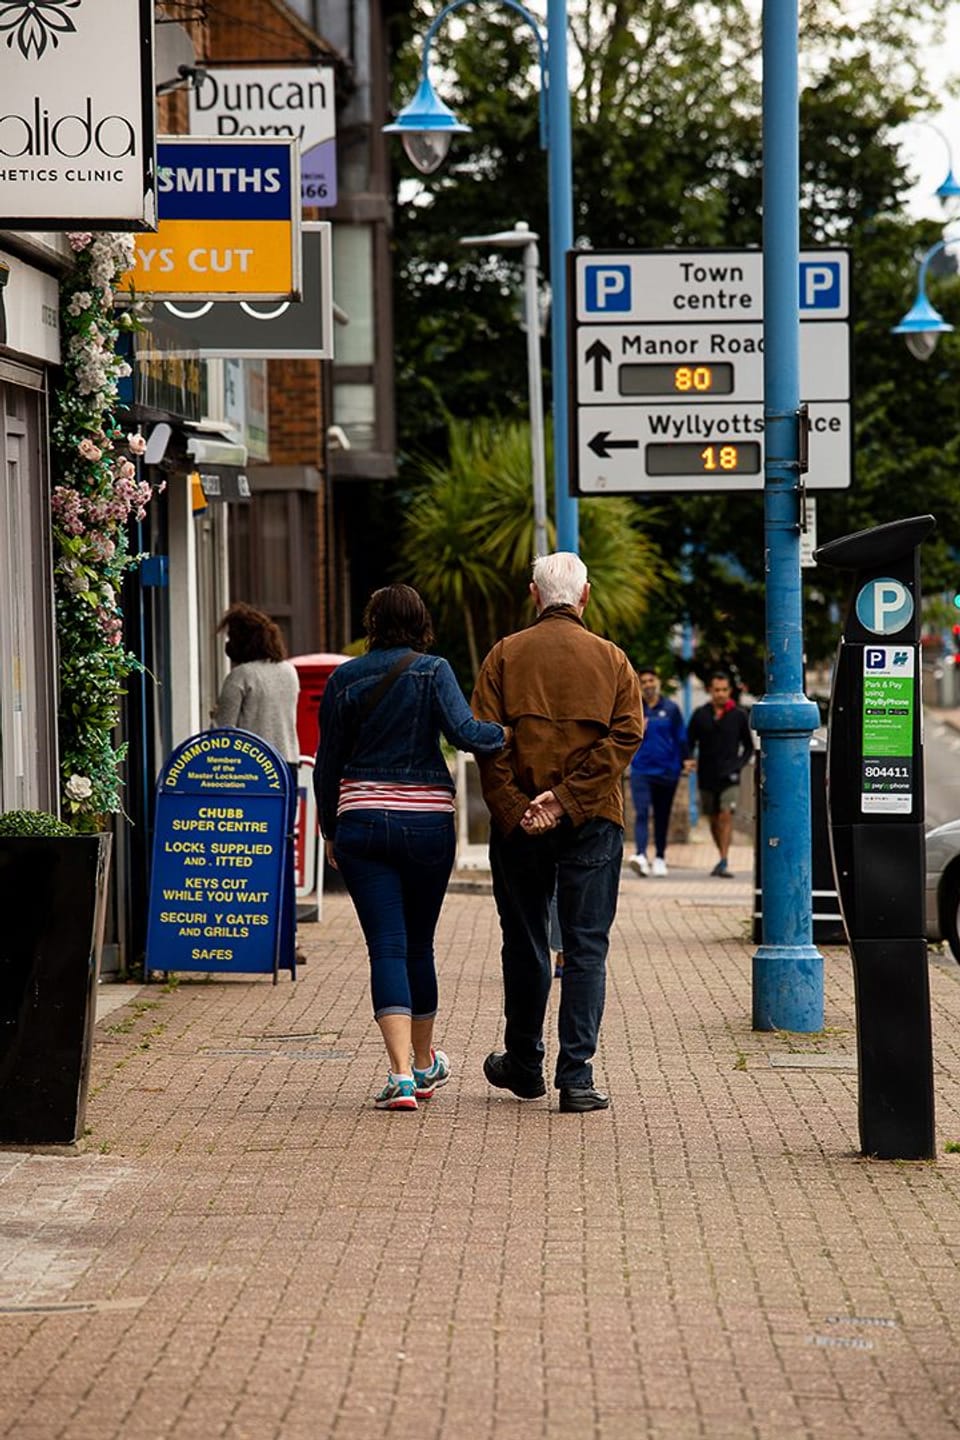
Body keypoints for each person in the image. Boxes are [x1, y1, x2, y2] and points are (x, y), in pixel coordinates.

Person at [315, 583, 509, 1112]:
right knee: (419, 944)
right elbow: (467, 733)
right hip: (427, 825)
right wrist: (507, 735)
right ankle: (423, 1067)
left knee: (387, 947)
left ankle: (403, 1074)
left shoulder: (344, 678)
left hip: (362, 824)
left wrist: (332, 828)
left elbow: (327, 763)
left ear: (372, 623)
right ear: (421, 621)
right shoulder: (434, 670)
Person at [472, 552, 645, 1114]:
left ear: (533, 594)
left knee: (524, 942)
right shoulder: (613, 660)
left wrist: (520, 807)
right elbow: (625, 737)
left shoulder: (504, 655)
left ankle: (523, 1062)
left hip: (520, 825)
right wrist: (569, 800)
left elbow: (487, 740)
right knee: (585, 946)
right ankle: (577, 1078)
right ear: (586, 596)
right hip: (594, 821)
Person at [212, 603, 300, 773]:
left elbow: (223, 730)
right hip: (287, 761)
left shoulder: (241, 675)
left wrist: (216, 713)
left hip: (252, 765)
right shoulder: (289, 671)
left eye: (231, 637)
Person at [686, 671, 754, 878]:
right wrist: (689, 759)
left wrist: (738, 766)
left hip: (729, 775)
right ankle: (720, 855)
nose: (721, 694)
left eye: (724, 690)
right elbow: (689, 741)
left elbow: (749, 747)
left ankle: (724, 860)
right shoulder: (700, 715)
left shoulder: (739, 715)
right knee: (712, 818)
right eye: (717, 690)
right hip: (706, 774)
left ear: (730, 691)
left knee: (725, 815)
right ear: (709, 690)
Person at [627, 665, 688, 878]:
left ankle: (660, 857)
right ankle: (641, 854)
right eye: (643, 682)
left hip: (667, 771)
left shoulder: (671, 709)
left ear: (658, 682)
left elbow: (681, 737)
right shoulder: (635, 709)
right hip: (641, 770)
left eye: (651, 681)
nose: (648, 685)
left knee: (662, 816)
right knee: (642, 813)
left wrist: (685, 761)